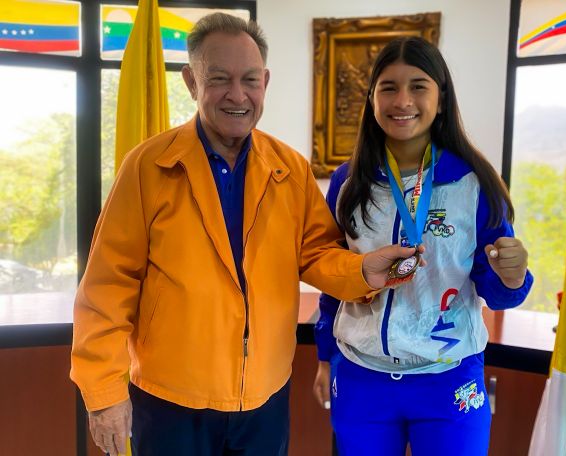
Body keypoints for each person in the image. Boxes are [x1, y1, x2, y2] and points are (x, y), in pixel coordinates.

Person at [70, 13, 417, 456]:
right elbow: (107, 287)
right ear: (191, 82)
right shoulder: (148, 166)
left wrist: (362, 271)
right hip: (170, 400)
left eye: (250, 79)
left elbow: (316, 254)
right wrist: (104, 394)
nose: (237, 95)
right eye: (219, 79)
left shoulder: (289, 169)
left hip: (263, 399)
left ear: (265, 82)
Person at [312, 36, 533, 456]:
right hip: (361, 376)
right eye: (388, 88)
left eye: (418, 86)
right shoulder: (347, 183)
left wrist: (513, 275)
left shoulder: (474, 183)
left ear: (441, 98)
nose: (402, 101)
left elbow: (499, 292)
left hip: (449, 378)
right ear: (372, 99)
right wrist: (325, 357)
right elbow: (332, 276)